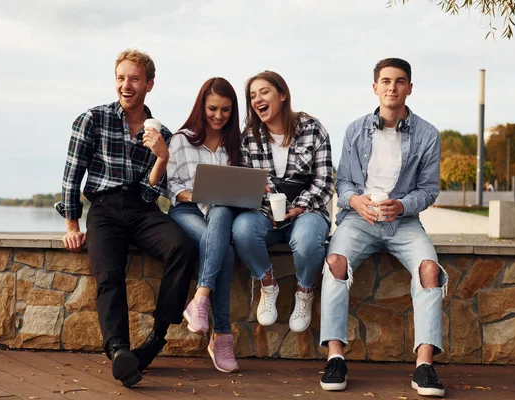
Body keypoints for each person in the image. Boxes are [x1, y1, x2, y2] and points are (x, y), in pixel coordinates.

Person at [57, 49, 196, 387]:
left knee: (184, 247)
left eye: (134, 78)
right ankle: (118, 349)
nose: (126, 85)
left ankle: (156, 338)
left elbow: (152, 194)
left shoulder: (160, 132)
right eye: (121, 78)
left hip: (142, 209)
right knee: (109, 273)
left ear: (149, 83)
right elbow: (71, 175)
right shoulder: (93, 119)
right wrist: (72, 224)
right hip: (104, 209)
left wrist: (162, 157)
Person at [319, 58, 447, 397]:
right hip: (359, 220)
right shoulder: (355, 129)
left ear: (409, 88)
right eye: (386, 81)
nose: (393, 87)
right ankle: (335, 358)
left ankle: (424, 366)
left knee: (430, 270)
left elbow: (429, 190)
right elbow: (342, 182)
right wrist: (355, 201)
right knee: (335, 264)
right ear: (375, 87)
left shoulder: (428, 134)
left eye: (400, 81)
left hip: (403, 222)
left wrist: (402, 205)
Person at [232, 70, 333, 334]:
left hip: (307, 212)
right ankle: (268, 283)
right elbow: (244, 183)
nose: (257, 99)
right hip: (265, 213)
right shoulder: (248, 137)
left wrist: (299, 206)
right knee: (241, 229)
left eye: (264, 92)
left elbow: (324, 181)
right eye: (252, 96)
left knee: (309, 240)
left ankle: (304, 290)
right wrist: (257, 191)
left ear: (282, 95)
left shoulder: (313, 129)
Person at [166, 77, 241, 373]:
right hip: (186, 210)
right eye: (213, 109)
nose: (219, 116)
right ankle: (221, 334)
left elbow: (239, 186)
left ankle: (200, 299)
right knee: (225, 251)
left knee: (222, 208)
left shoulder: (235, 144)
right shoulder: (181, 139)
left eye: (225, 110)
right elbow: (168, 187)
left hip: (220, 214)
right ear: (201, 106)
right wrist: (198, 194)